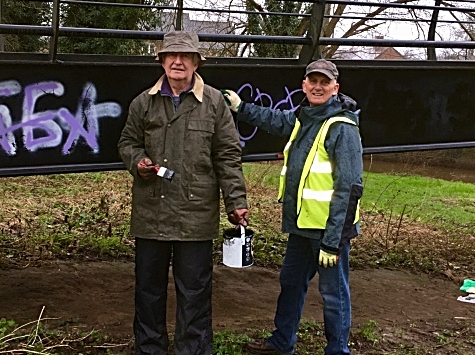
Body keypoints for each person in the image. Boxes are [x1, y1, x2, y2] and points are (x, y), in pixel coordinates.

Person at [118, 30, 249, 355]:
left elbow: (227, 155)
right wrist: (138, 161)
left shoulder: (215, 103)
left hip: (196, 217)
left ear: (195, 63)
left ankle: (192, 349)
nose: (178, 62)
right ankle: (150, 349)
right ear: (162, 61)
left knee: (194, 293)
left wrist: (236, 202)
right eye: (171, 56)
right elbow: (127, 142)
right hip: (152, 213)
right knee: (148, 292)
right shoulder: (143, 102)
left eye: (185, 57)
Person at [222, 59, 363, 355]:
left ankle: (338, 351)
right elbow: (275, 120)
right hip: (302, 227)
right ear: (304, 85)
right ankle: (281, 342)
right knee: (291, 283)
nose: (317, 86)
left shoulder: (342, 128)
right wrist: (241, 107)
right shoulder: (304, 116)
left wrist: (333, 242)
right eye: (312, 81)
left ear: (335, 88)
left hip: (328, 233)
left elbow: (349, 189)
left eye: (324, 83)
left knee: (334, 294)